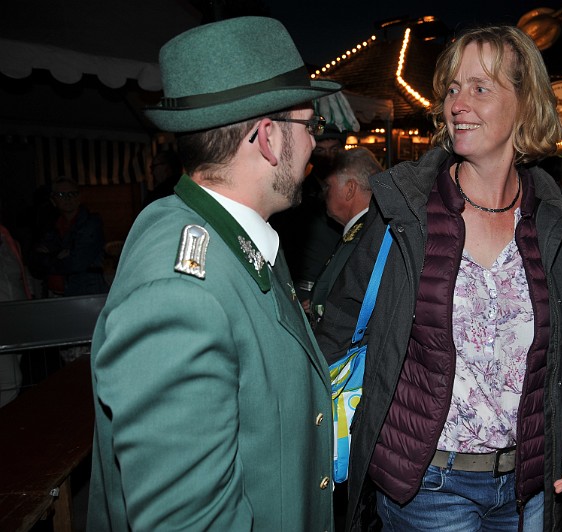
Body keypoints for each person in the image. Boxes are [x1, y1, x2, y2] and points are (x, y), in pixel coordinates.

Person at [316, 25, 562, 531]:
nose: (457, 104)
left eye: (480, 88)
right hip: (428, 484)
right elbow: (340, 321)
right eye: (452, 88)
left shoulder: (559, 224)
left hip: (529, 483)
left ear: (525, 104)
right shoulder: (405, 210)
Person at [87, 16, 341, 530]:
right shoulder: (181, 294)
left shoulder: (225, 235)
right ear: (268, 138)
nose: (315, 144)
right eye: (309, 126)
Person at [271, 124, 346, 302]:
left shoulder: (350, 188)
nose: (328, 156)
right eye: (320, 150)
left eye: (334, 149)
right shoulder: (296, 194)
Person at [308, 147, 381, 324]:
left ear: (350, 189)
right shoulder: (370, 229)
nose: (324, 194)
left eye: (328, 186)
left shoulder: (360, 240)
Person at [31, 176, 108, 297]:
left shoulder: (91, 223)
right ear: (53, 200)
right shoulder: (50, 227)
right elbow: (35, 263)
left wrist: (49, 258)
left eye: (72, 193)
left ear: (79, 197)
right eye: (61, 194)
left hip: (85, 295)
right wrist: (57, 256)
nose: (68, 198)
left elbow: (77, 262)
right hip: (53, 296)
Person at [0, 222, 35, 407]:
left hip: (16, 318)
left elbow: (22, 275)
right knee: (11, 380)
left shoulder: (8, 240)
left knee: (11, 376)